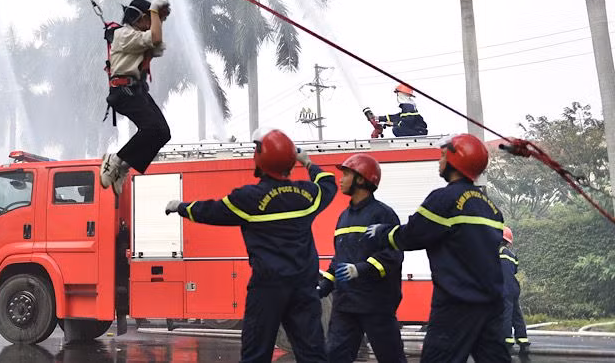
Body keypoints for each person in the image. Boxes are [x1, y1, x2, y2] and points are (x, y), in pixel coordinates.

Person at [164, 129, 337, 363]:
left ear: (260, 158)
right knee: (313, 354)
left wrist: (180, 207)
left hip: (268, 289)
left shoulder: (248, 198)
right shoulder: (307, 195)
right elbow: (328, 184)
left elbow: (210, 211)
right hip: (304, 288)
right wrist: (308, 163)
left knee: (256, 353)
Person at [365, 133, 510, 362]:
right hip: (491, 302)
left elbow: (413, 235)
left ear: (455, 161)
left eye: (443, 156)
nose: (439, 162)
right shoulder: (490, 207)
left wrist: (383, 233)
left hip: (457, 304)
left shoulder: (444, 199)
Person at [318, 153, 406, 363]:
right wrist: (324, 286)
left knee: (391, 357)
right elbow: (339, 259)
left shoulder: (383, 215)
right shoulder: (343, 217)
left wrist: (360, 269)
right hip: (345, 304)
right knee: (335, 357)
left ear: (360, 179)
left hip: (376, 304)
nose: (340, 179)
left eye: (346, 174)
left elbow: (393, 256)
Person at [100, 0, 172, 195]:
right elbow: (155, 39)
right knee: (150, 128)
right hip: (124, 91)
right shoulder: (124, 35)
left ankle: (124, 166)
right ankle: (114, 159)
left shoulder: (139, 37)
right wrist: (156, 12)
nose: (151, 24)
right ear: (139, 18)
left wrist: (159, 17)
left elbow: (157, 45)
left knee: (163, 132)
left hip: (136, 90)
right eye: (148, 19)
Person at [500, 226, 529, 355]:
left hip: (503, 288)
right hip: (514, 288)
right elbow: (515, 269)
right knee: (516, 314)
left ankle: (507, 342)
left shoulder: (494, 253)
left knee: (506, 314)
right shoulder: (512, 255)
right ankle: (523, 341)